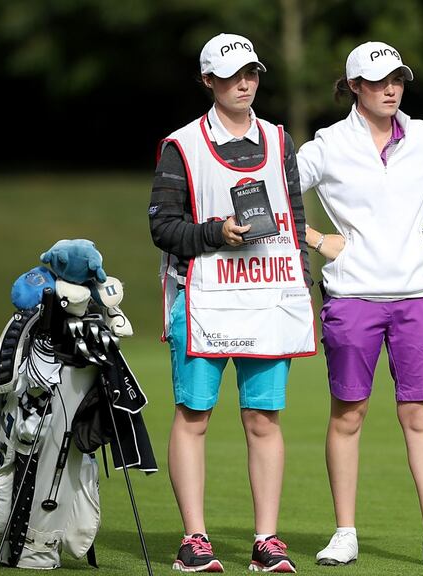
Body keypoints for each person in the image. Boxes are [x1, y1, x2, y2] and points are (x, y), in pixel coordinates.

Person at [297, 41, 423, 568]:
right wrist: (317, 239)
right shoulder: (328, 144)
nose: (391, 89)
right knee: (348, 414)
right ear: (355, 86)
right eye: (380, 80)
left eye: (399, 79)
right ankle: (344, 533)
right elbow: (272, 193)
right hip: (352, 296)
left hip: (416, 297)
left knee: (419, 414)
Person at [149, 32, 315, 574]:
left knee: (264, 419)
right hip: (203, 301)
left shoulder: (280, 140)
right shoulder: (182, 146)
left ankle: (267, 540)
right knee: (194, 415)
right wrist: (218, 233)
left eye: (252, 72)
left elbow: (294, 218)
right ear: (208, 81)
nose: (245, 82)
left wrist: (301, 291)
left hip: (268, 297)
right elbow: (164, 228)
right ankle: (194, 540)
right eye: (232, 74)